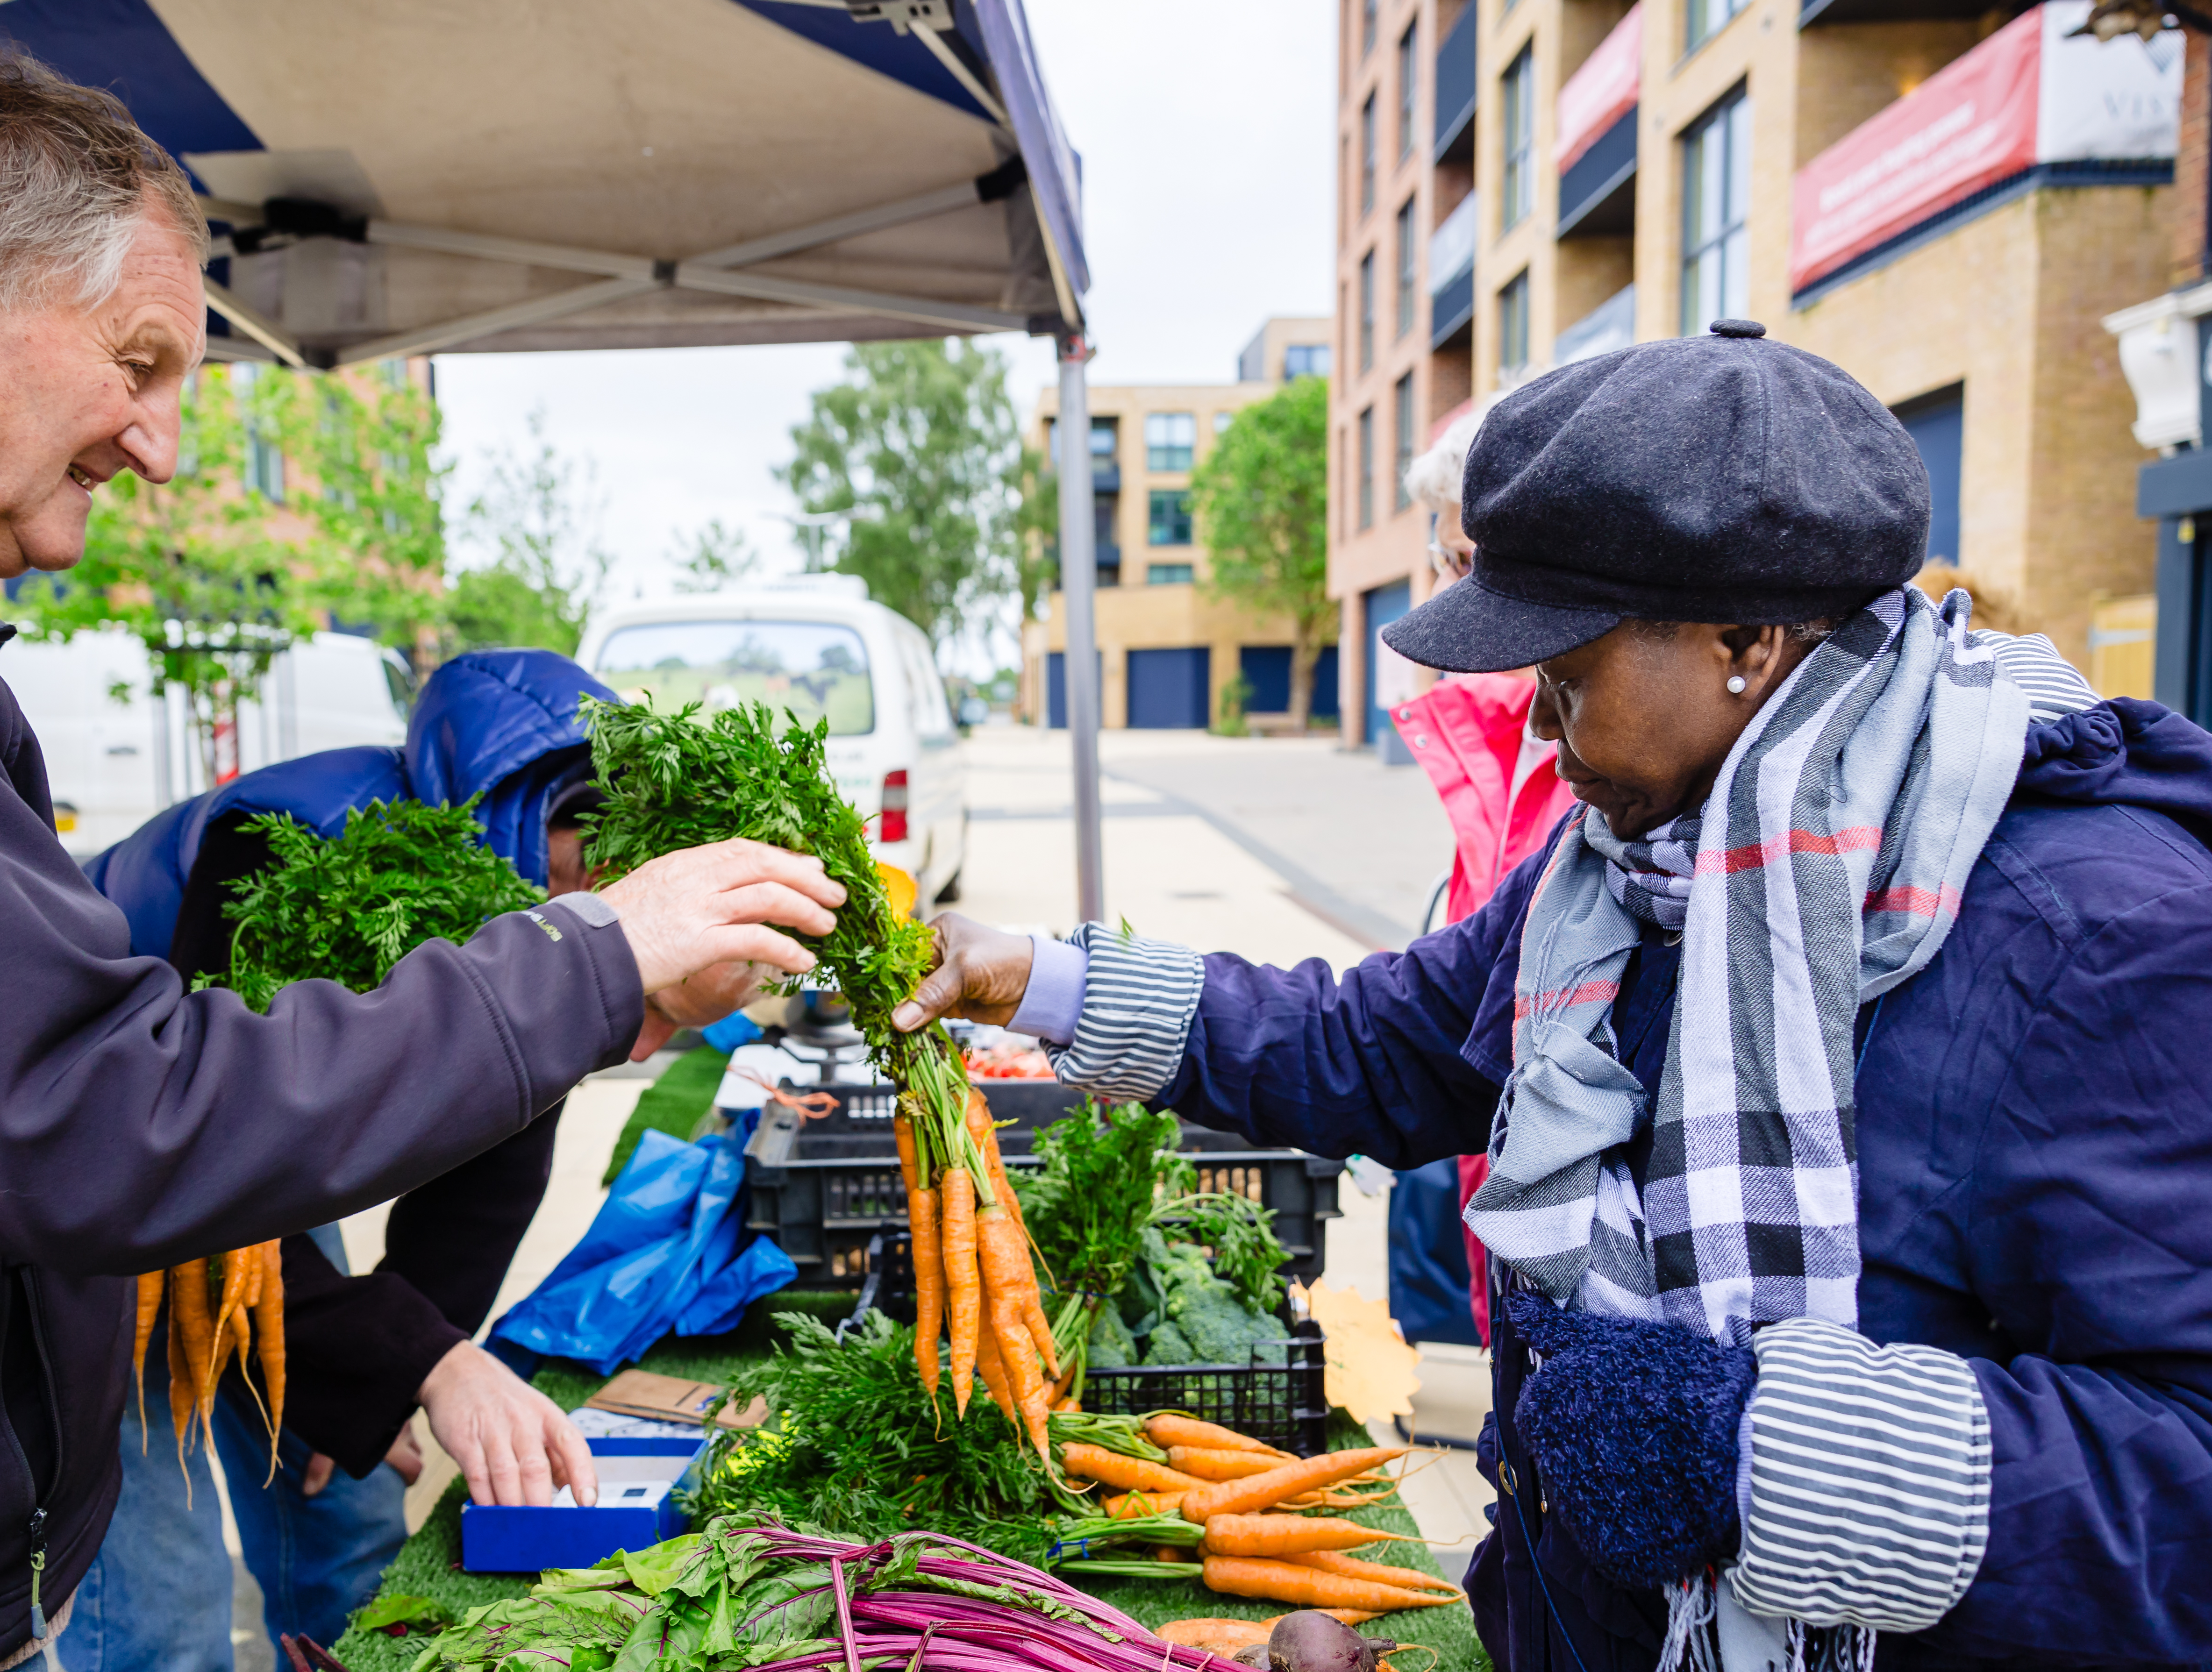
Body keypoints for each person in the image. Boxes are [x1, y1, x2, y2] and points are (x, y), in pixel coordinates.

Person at [0, 37, 843, 1672]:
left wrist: (416, 1338)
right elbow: (96, 1111)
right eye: (143, 362)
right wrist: (589, 964)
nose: (163, 447)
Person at [897, 321, 2212, 1669]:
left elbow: (2183, 1483)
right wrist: (1042, 977)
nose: (1532, 723)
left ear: (1745, 642)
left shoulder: (2096, 935)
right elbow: (1378, 1043)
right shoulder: (1617, 873)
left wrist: (1754, 1450)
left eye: (1566, 674)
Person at [64, 647, 625, 1667]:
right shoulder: (277, 843)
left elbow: (486, 1182)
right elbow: (179, 1149)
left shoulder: (528, 908)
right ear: (514, 806)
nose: (586, 886)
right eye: (575, 855)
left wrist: (372, 1371)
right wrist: (415, 1357)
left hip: (257, 1174)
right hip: (97, 1185)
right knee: (166, 1595)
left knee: (349, 1514)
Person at [1393, 395, 1574, 1349]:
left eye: (1461, 565)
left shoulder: (1586, 760)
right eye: (1444, 562)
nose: (1444, 597)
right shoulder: (1498, 743)